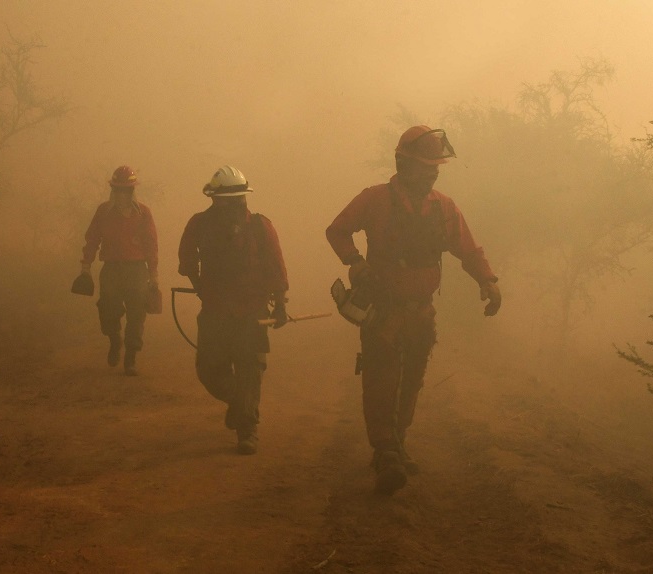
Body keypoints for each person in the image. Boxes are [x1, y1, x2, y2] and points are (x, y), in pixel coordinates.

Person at [326, 125, 502, 495]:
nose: (433, 173)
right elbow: (337, 230)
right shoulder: (374, 199)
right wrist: (354, 261)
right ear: (403, 164)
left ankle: (397, 442)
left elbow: (468, 249)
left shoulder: (444, 208)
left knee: (411, 382)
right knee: (381, 379)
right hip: (383, 311)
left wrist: (487, 280)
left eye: (435, 167)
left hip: (421, 313)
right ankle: (386, 451)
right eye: (426, 166)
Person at [178, 165, 289, 455]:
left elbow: (275, 267)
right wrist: (200, 286)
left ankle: (247, 430)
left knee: (250, 370)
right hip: (215, 312)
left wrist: (280, 304)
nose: (235, 205)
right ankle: (241, 406)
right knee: (209, 371)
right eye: (228, 200)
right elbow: (187, 260)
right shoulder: (199, 225)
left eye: (239, 199)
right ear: (215, 199)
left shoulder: (260, 226)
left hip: (252, 313)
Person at [80, 165, 159, 376]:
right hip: (112, 270)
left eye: (126, 189)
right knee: (107, 309)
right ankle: (115, 339)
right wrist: (86, 266)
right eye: (119, 189)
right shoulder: (103, 212)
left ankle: (131, 356)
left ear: (132, 190)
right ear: (113, 190)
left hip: (137, 270)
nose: (123, 194)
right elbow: (92, 239)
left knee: (137, 314)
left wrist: (153, 275)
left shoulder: (143, 213)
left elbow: (151, 245)